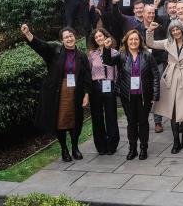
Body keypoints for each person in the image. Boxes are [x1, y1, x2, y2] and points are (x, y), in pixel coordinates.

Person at [21, 24, 91, 162]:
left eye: (71, 36)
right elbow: (40, 46)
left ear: (75, 37)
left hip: (76, 92)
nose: (69, 39)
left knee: (75, 121)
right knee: (60, 122)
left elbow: (87, 76)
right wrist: (28, 33)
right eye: (66, 37)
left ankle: (75, 148)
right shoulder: (54, 50)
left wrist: (87, 94)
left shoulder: (81, 56)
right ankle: (64, 149)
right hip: (59, 92)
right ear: (61, 40)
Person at [103, 30, 159, 160]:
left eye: (136, 39)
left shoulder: (147, 55)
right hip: (127, 96)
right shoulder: (122, 55)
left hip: (144, 96)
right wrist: (106, 48)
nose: (133, 42)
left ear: (140, 41)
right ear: (126, 41)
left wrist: (155, 95)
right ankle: (132, 148)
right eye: (131, 39)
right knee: (131, 122)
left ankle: (143, 148)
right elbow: (108, 62)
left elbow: (155, 74)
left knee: (143, 122)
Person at [146, 20, 183, 154]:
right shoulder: (167, 42)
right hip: (171, 77)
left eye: (177, 29)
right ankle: (176, 142)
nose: (175, 32)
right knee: (173, 111)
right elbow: (150, 43)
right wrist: (149, 30)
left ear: (182, 29)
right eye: (173, 30)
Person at [87, 28, 120, 155]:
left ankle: (112, 145)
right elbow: (89, 72)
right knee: (97, 117)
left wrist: (116, 86)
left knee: (111, 116)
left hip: (109, 85)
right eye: (96, 37)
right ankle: (101, 145)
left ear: (106, 36)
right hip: (96, 87)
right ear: (94, 41)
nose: (99, 38)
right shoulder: (91, 55)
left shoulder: (114, 53)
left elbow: (117, 71)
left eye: (101, 36)